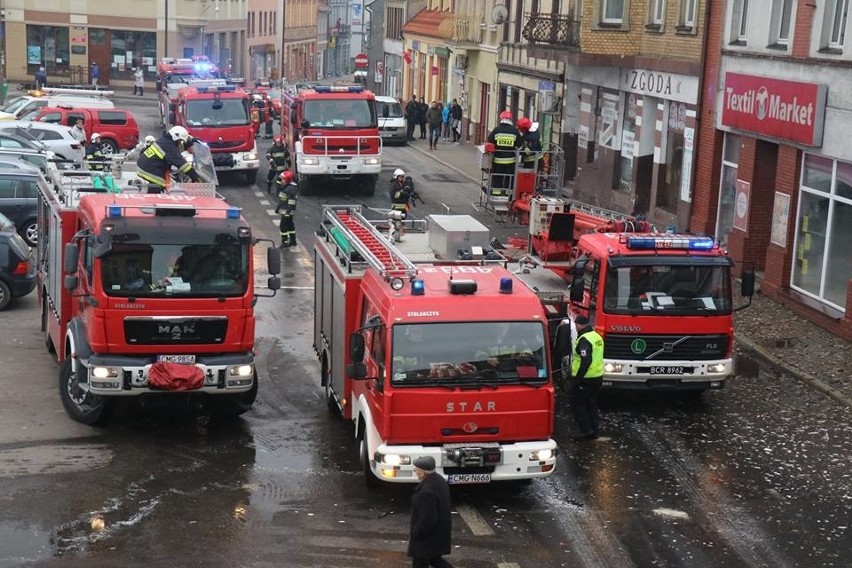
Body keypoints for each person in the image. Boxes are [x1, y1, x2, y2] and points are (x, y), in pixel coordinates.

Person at [408, 456, 454, 568]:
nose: (415, 472)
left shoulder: (425, 492)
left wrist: (416, 532)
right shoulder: (439, 481)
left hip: (426, 538)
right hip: (438, 534)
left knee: (420, 563)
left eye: (416, 470)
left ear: (423, 473)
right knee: (435, 560)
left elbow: (428, 519)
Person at [569, 315, 604, 441]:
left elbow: (586, 360)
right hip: (597, 377)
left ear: (579, 325)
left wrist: (577, 380)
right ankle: (594, 430)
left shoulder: (584, 339)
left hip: (585, 378)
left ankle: (586, 430)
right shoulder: (596, 336)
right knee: (591, 404)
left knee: (577, 404)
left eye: (576, 325)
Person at [136, 125, 201, 193]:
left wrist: (189, 143)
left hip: (146, 165)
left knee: (158, 185)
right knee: (159, 185)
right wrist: (195, 176)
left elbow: (175, 151)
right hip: (149, 169)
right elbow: (182, 164)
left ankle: (152, 196)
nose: (180, 143)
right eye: (180, 141)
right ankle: (153, 200)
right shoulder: (168, 145)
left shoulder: (166, 141)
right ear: (175, 138)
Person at [487, 110, 521, 192]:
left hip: (498, 160)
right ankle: (508, 193)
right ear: (511, 119)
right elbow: (519, 144)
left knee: (497, 176)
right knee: (509, 178)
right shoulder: (514, 131)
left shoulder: (496, 130)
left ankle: (496, 192)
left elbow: (490, 141)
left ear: (501, 119)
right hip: (510, 161)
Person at [275, 170, 298, 249]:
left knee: (283, 226)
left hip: (288, 211)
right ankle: (293, 240)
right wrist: (278, 208)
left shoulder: (290, 189)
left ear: (288, 180)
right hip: (285, 210)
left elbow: (291, 202)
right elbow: (282, 199)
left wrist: (287, 212)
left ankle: (284, 242)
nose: (282, 181)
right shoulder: (286, 187)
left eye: (283, 179)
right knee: (290, 225)